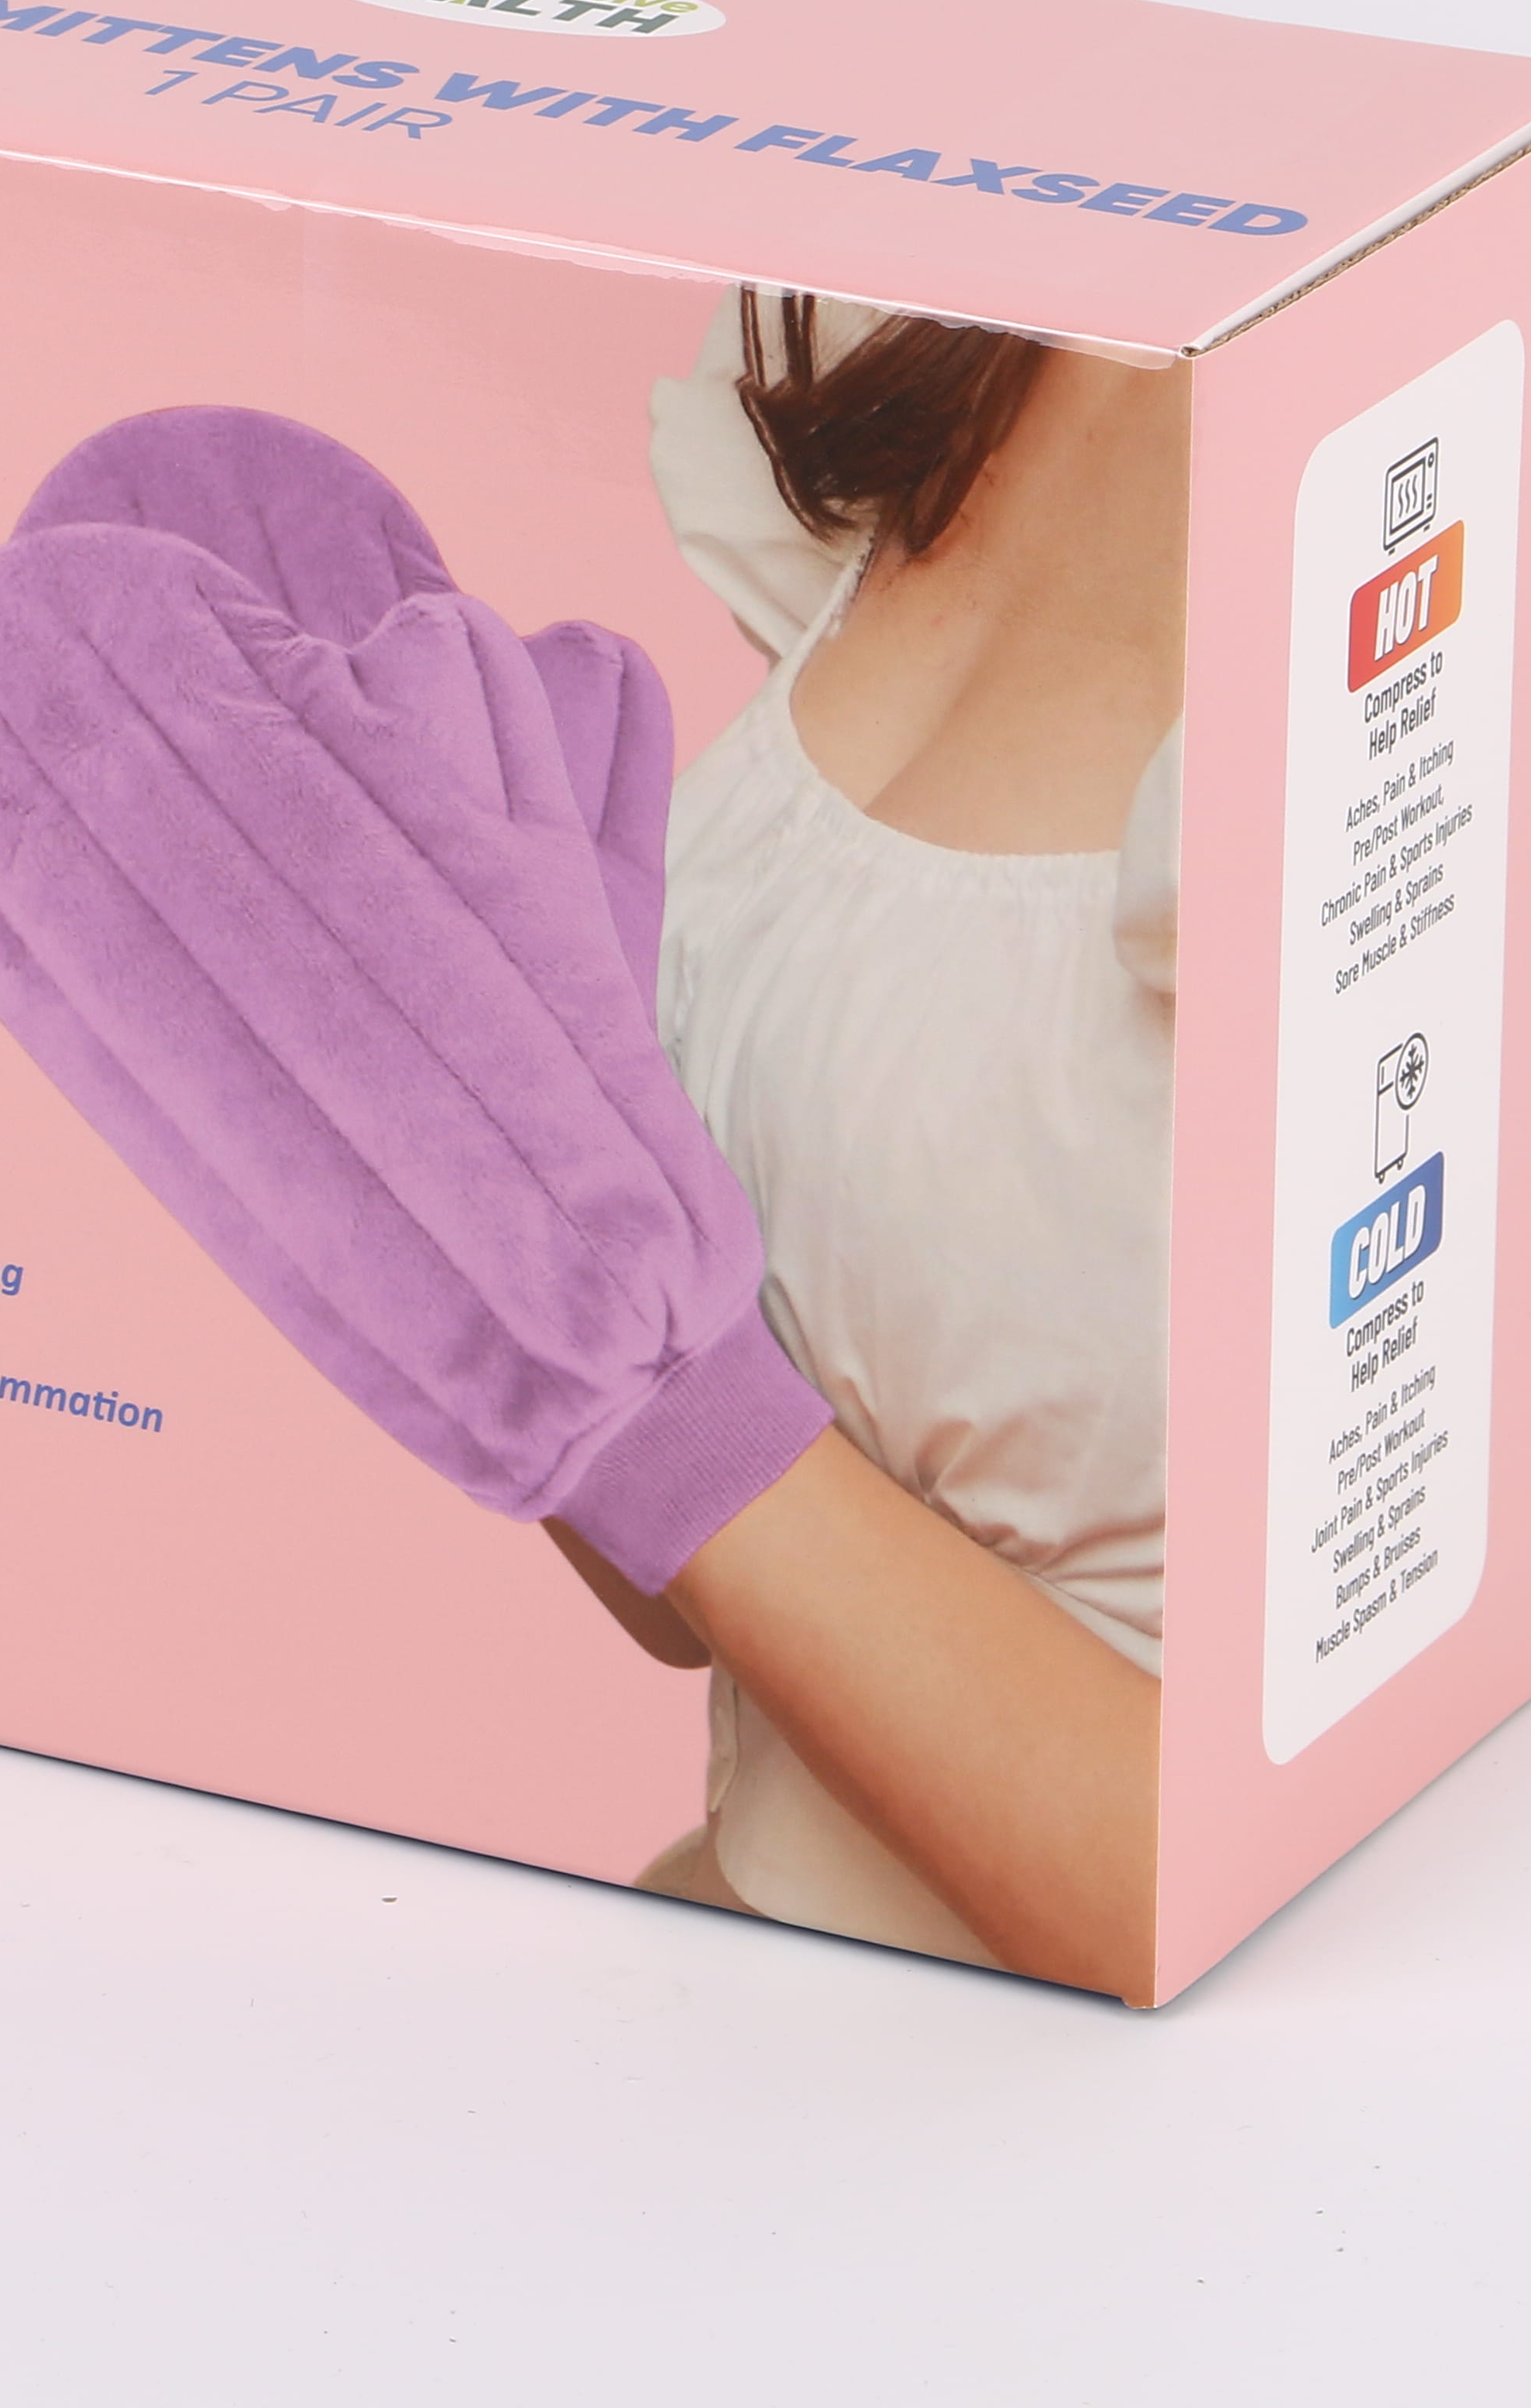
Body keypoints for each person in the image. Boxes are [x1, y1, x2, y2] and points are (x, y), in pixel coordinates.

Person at [546, 289, 1186, 2001]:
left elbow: (1196, 1894)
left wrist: (619, 1377)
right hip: (710, 1991)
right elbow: (695, 1605)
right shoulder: (929, 329)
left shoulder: (1392, 523)